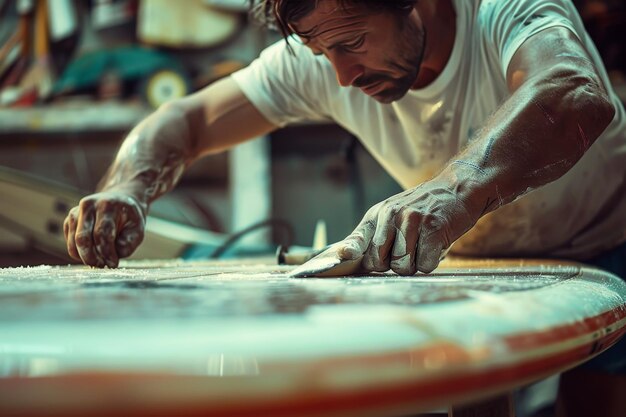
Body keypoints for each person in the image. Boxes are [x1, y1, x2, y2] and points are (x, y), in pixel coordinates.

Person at [64, 0, 625, 279]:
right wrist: (128, 188)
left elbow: (572, 92)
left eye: (354, 42)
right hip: (483, 268)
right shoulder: (326, 51)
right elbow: (184, 122)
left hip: (606, 249)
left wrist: (453, 189)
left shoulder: (503, 10)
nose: (341, 76)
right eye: (321, 52)